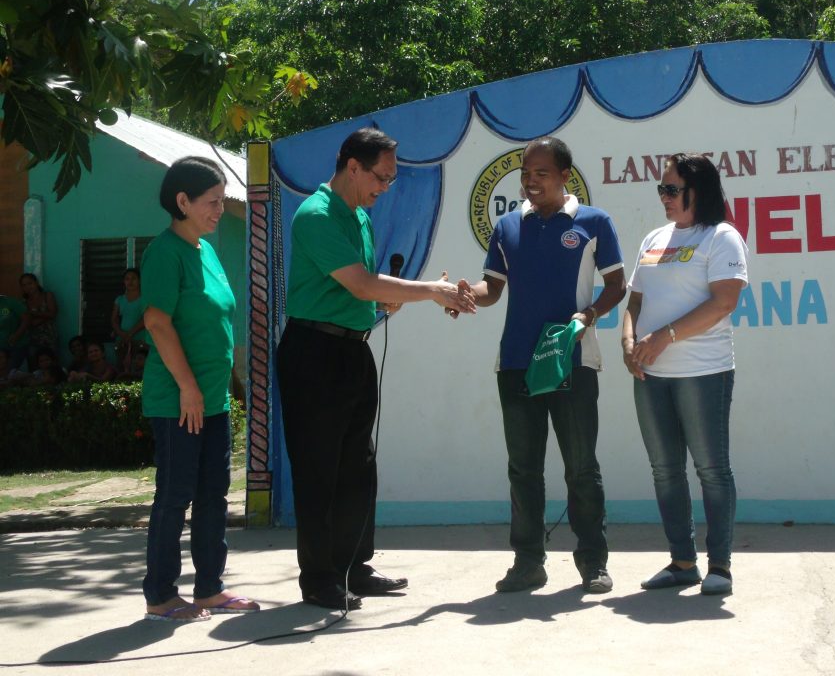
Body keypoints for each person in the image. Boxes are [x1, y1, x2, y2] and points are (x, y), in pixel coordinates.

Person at [276, 127, 475, 611]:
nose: (385, 188)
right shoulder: (317, 214)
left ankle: (353, 565)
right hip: (313, 354)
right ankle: (319, 577)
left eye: (389, 180)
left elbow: (359, 295)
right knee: (319, 467)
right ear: (352, 167)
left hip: (352, 350)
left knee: (358, 464)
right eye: (381, 178)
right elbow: (362, 284)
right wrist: (428, 290)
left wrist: (389, 305)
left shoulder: (359, 217)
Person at [458, 136, 626, 594]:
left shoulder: (593, 222)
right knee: (523, 469)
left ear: (565, 176)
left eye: (541, 173)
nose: (531, 182)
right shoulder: (508, 226)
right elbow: (493, 289)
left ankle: (593, 562)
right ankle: (527, 562)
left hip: (572, 360)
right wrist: (465, 295)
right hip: (516, 363)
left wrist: (588, 315)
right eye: (525, 175)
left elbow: (617, 285)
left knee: (580, 467)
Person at [621, 152, 749, 596]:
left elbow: (723, 303)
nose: (665, 198)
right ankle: (681, 562)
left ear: (700, 191)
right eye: (662, 189)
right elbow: (634, 301)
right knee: (664, 470)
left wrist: (664, 337)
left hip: (703, 373)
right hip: (650, 375)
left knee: (712, 469)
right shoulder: (654, 238)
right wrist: (628, 341)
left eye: (673, 190)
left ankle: (720, 566)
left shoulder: (722, 238)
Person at [140, 156, 260, 622]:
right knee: (175, 495)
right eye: (212, 202)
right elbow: (157, 321)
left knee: (214, 495)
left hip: (211, 398)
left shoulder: (205, 250)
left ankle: (210, 589)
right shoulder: (164, 252)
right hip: (178, 401)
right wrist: (188, 387)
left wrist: (225, 386)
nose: (219, 209)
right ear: (183, 201)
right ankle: (161, 596)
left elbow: (214, 323)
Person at [16, 273, 58, 369]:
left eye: (30, 283)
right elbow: (28, 322)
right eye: (24, 285)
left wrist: (33, 313)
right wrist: (45, 315)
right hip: (32, 340)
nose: (27, 287)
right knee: (34, 367)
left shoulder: (47, 295)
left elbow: (53, 313)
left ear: (36, 283)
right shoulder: (23, 302)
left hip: (50, 338)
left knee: (53, 367)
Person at [111, 268, 146, 371]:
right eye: (127, 279)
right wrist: (122, 334)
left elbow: (145, 319)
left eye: (134, 278)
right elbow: (114, 319)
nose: (130, 282)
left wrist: (130, 334)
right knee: (122, 368)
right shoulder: (120, 299)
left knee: (138, 369)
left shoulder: (145, 298)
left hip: (140, 339)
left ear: (139, 280)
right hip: (122, 341)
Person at [0, 293, 29, 370]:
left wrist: (17, 335)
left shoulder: (10, 302)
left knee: (11, 372)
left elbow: (26, 319)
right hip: (1, 347)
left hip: (17, 345)